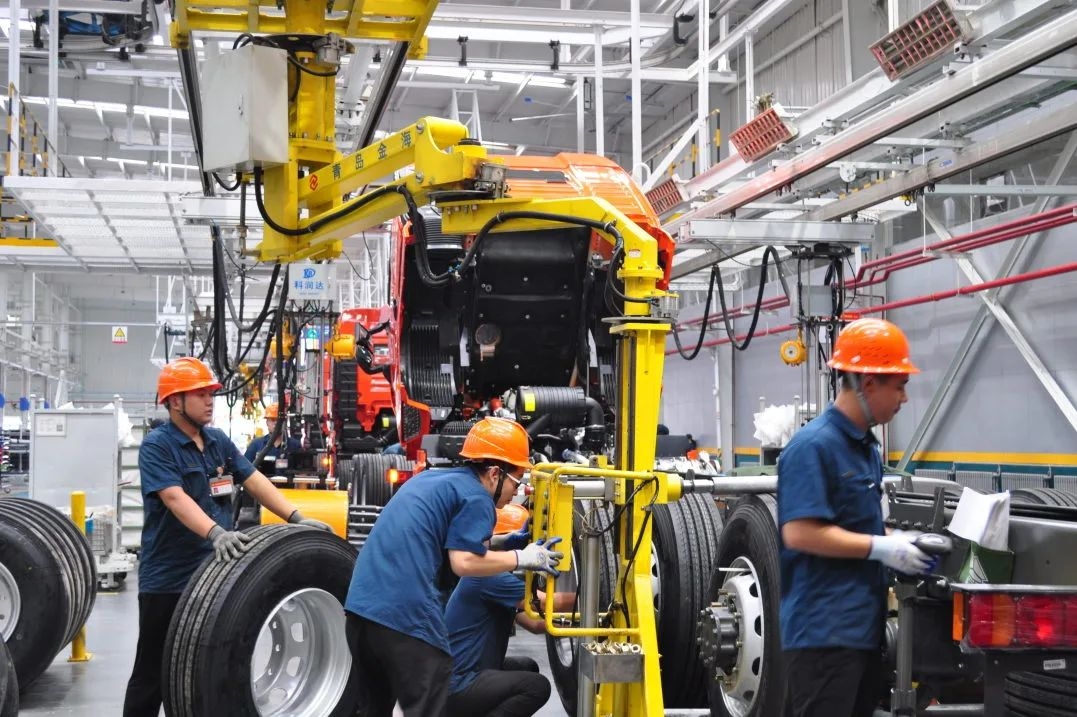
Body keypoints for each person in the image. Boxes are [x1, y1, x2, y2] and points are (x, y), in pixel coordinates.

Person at [123, 357, 333, 717]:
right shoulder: (158, 446)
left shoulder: (217, 441)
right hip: (169, 579)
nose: (210, 401)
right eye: (201, 394)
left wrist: (296, 516)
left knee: (204, 668)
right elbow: (174, 497)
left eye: (211, 394)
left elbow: (253, 479)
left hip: (215, 575)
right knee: (153, 671)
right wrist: (216, 532)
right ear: (175, 402)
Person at [344, 416, 564, 717]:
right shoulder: (477, 497)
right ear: (495, 473)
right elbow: (463, 561)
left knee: (372, 709)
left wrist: (502, 541)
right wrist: (523, 557)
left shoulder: (433, 480)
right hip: (404, 617)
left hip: (360, 613)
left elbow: (443, 539)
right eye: (517, 480)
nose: (517, 491)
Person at [777, 318, 930, 717]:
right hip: (823, 636)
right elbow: (800, 533)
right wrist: (881, 548)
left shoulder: (865, 449)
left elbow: (857, 526)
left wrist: (898, 542)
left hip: (860, 630)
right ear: (869, 383)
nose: (904, 398)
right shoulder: (812, 447)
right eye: (899, 386)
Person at [444, 504, 576, 717]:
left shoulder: (491, 577)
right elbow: (547, 603)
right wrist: (597, 596)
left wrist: (579, 621)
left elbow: (534, 624)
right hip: (456, 686)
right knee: (537, 687)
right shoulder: (488, 577)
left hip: (457, 678)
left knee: (526, 667)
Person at [244, 403, 301, 475]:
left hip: (286, 482)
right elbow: (244, 470)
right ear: (267, 422)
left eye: (279, 420)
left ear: (285, 422)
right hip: (262, 482)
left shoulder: (295, 445)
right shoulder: (256, 445)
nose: (276, 423)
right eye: (272, 419)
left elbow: (301, 473)